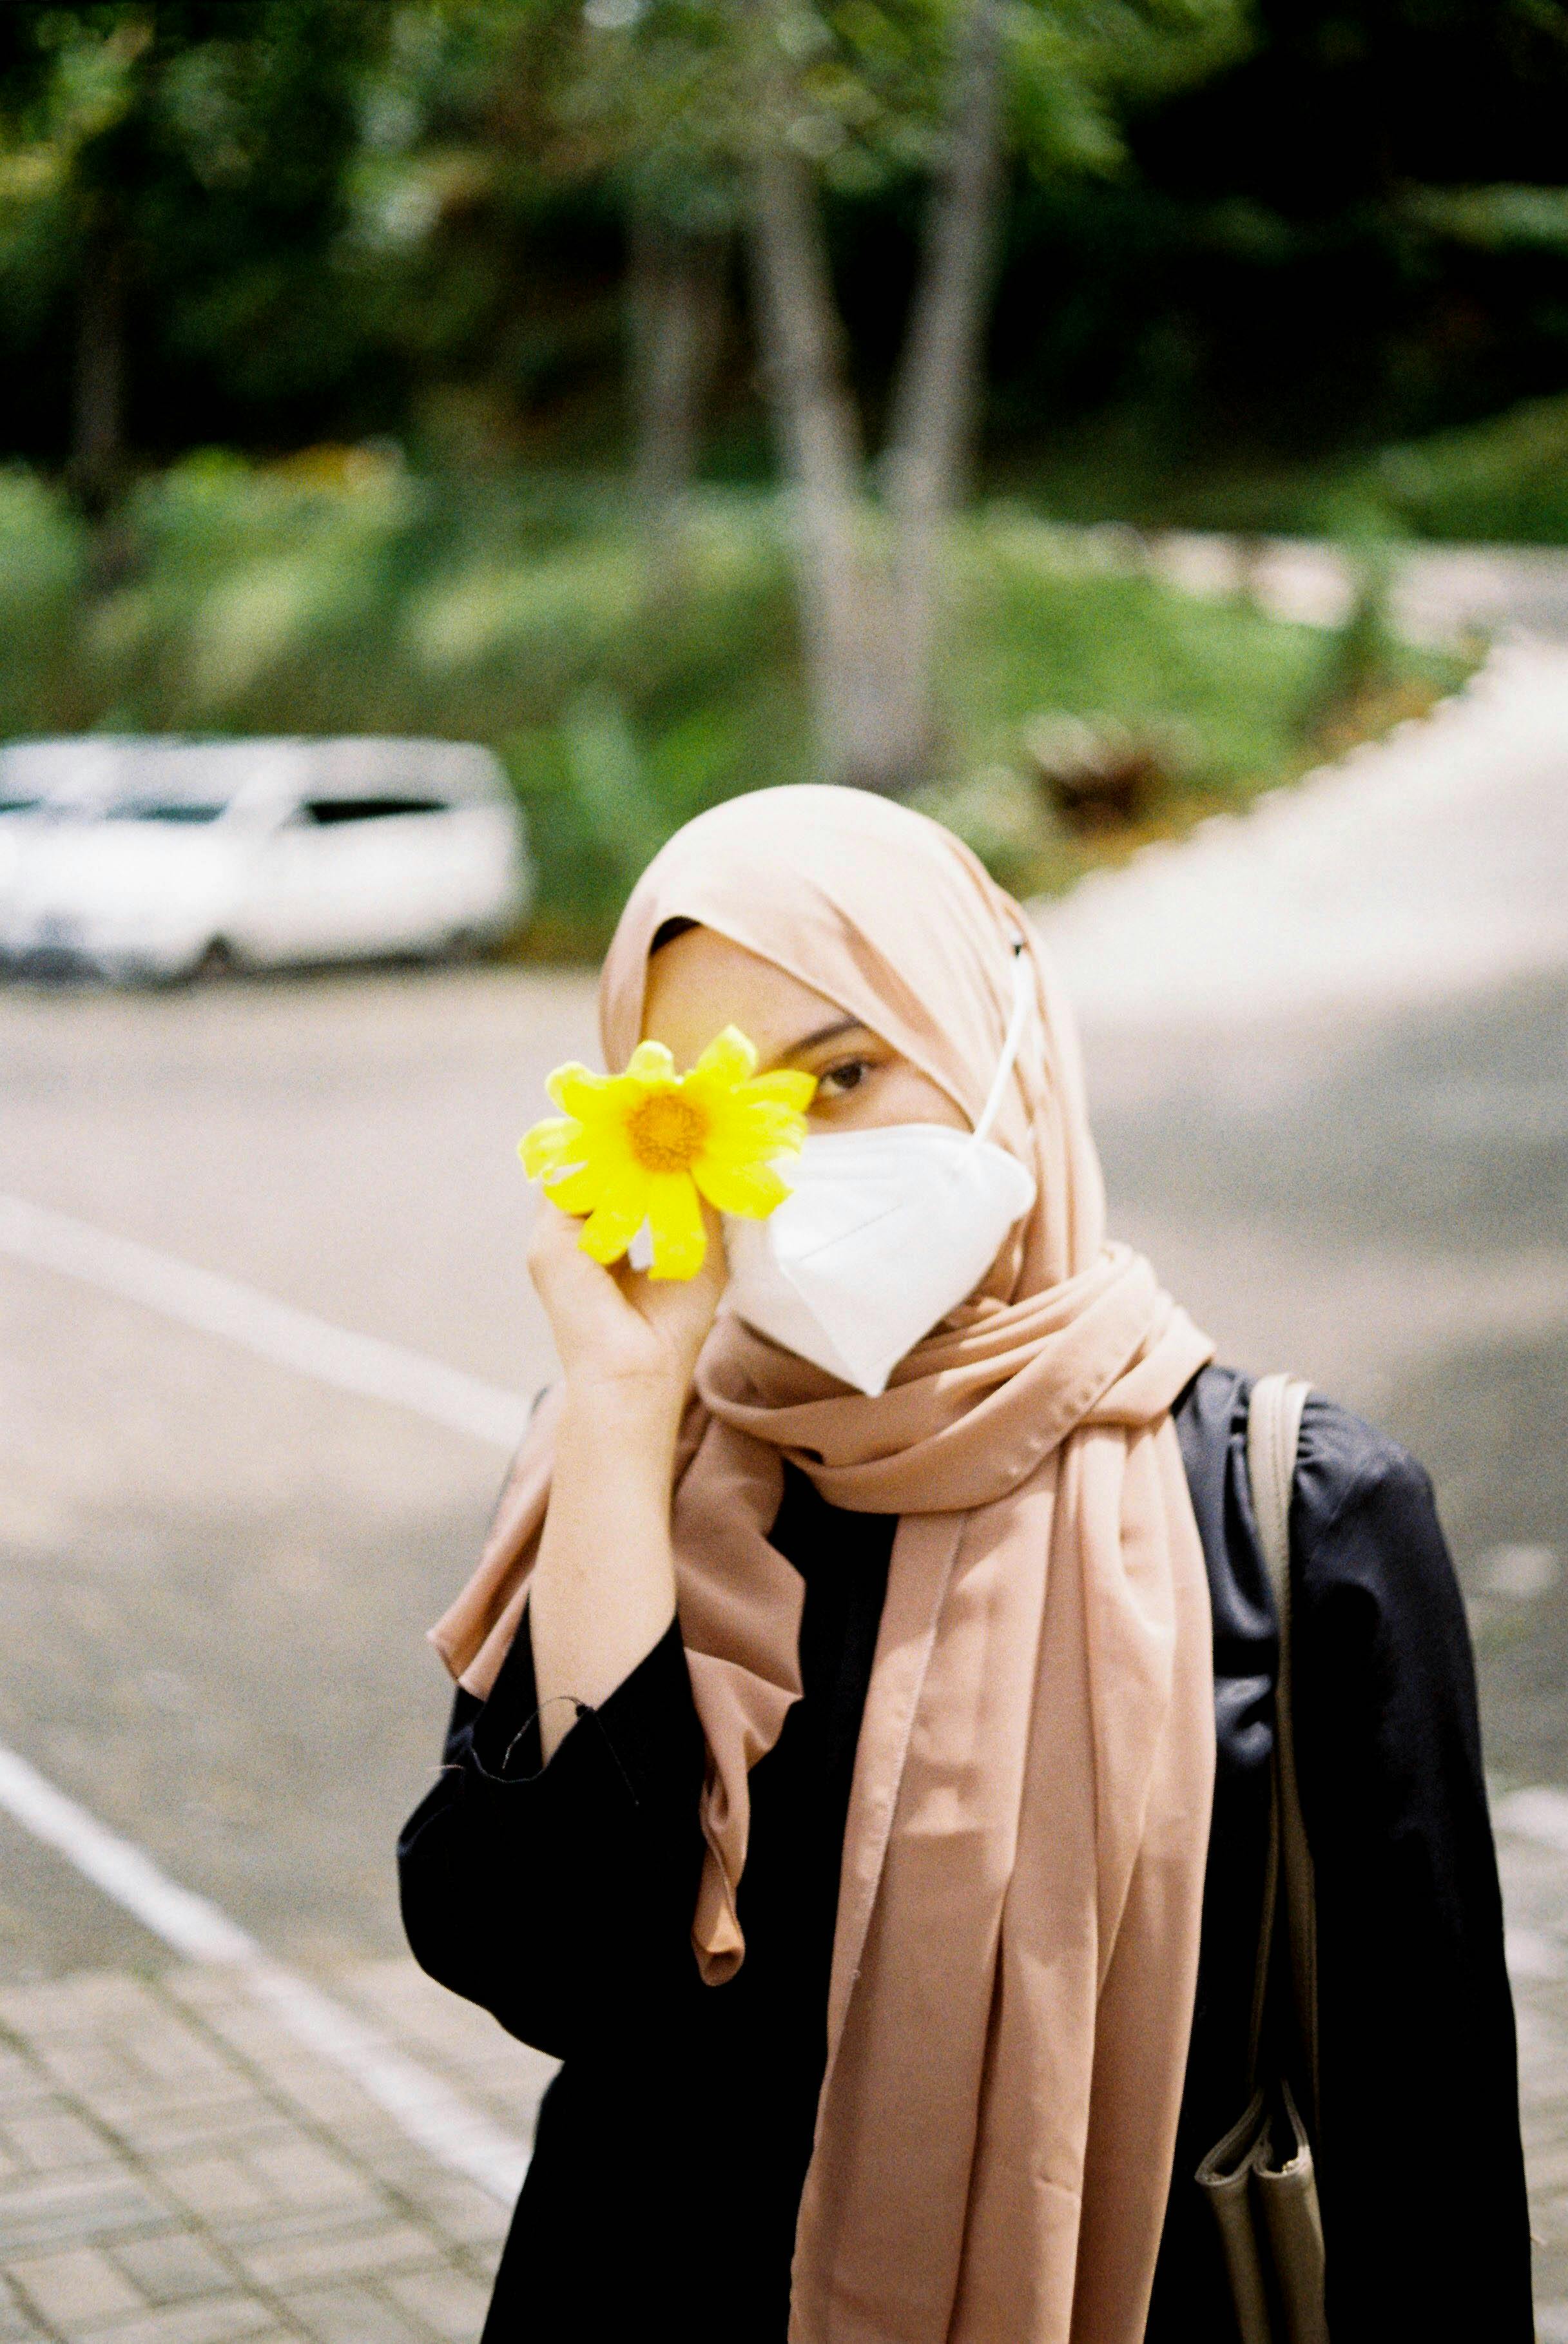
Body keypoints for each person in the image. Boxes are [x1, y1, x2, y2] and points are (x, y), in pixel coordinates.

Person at [398, 785, 1532, 2343]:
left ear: (999, 1033)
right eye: (730, 1119)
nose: (792, 1167)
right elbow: (554, 1967)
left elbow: (1427, 2148)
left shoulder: (1294, 1511)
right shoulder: (619, 1462)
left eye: (845, 1072)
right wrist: (613, 1411)